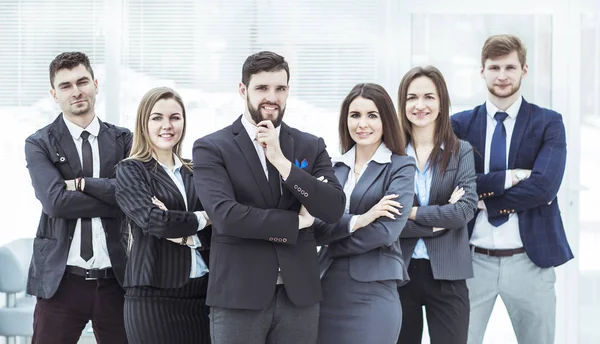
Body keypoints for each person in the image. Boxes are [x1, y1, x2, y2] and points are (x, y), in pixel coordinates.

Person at [192, 51, 346, 344]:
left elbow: (333, 207)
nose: (271, 97)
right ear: (243, 90)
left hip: (299, 297)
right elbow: (226, 216)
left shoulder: (309, 146)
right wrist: (295, 223)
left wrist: (281, 162)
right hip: (238, 295)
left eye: (280, 88)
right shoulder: (212, 148)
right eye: (262, 88)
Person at [451, 34, 573, 344]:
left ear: (524, 70)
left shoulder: (548, 123)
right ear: (482, 71)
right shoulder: (459, 126)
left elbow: (544, 188)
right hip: (471, 261)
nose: (502, 76)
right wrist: (509, 177)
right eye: (494, 67)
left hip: (531, 263)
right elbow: (450, 185)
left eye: (510, 67)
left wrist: (484, 202)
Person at [24, 52, 130, 344]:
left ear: (95, 84)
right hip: (61, 283)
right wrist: (113, 197)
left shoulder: (125, 141)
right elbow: (55, 203)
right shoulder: (39, 143)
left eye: (82, 82)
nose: (76, 91)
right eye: (66, 85)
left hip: (116, 281)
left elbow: (135, 198)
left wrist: (80, 184)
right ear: (53, 94)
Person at [314, 83, 415, 344]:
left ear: (386, 119)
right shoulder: (333, 168)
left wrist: (334, 241)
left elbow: (385, 231)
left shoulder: (400, 167)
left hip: (374, 289)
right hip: (328, 286)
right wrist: (361, 220)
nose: (362, 124)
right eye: (355, 115)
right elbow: (316, 227)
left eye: (372, 115)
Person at [115, 87, 211, 344]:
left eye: (174, 117)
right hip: (153, 297)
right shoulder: (131, 170)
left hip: (203, 296)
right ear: (143, 123)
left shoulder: (197, 171)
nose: (167, 125)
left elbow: (225, 223)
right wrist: (203, 218)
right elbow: (154, 221)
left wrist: (189, 237)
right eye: (157, 117)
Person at [396, 66, 478, 344]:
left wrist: (413, 212)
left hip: (448, 274)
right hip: (399, 274)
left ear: (441, 102)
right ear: (402, 103)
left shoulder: (461, 150)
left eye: (429, 97)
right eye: (412, 98)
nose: (420, 105)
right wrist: (438, 223)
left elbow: (464, 211)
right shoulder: (391, 153)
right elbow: (387, 221)